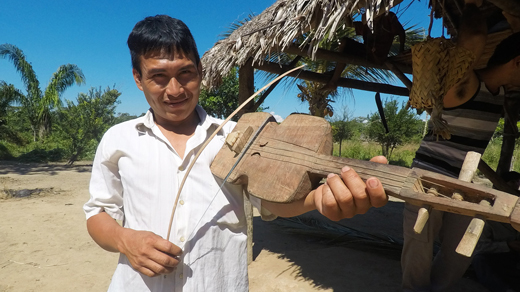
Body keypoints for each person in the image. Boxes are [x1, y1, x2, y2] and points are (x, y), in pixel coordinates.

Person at [83, 15, 388, 292]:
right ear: (138, 78)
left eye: (186, 73)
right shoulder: (119, 138)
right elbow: (98, 214)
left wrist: (318, 201)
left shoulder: (237, 136)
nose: (175, 90)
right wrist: (126, 240)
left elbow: (270, 201)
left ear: (201, 71)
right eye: (158, 77)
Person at [401, 0, 520, 290]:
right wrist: (471, 5)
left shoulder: (501, 95)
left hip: (465, 185)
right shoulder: (465, 85)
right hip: (427, 179)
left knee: (460, 251)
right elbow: (475, 38)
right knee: (419, 245)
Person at [472, 171, 520, 292]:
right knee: (479, 260)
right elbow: (480, 247)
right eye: (513, 182)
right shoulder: (489, 214)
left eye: (518, 182)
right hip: (497, 256)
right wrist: (507, 245)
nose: (516, 186)